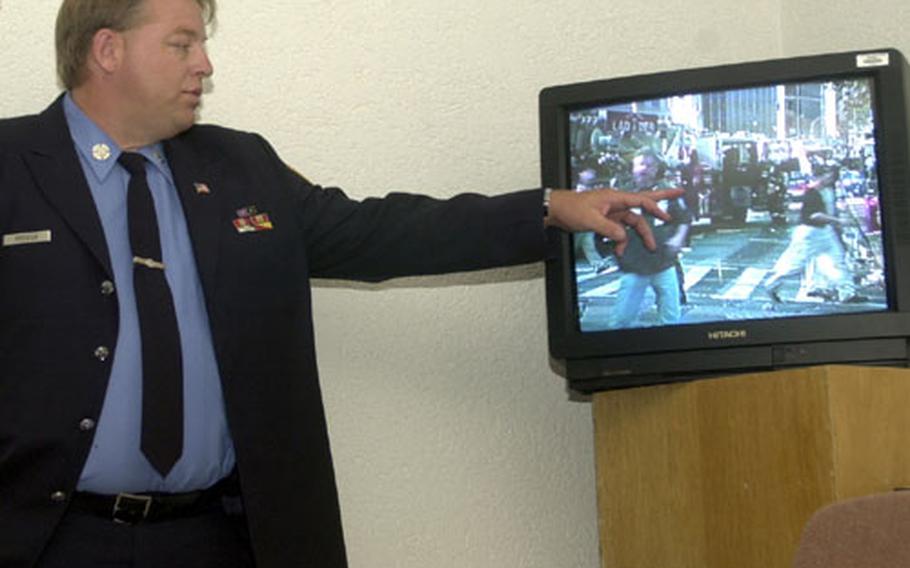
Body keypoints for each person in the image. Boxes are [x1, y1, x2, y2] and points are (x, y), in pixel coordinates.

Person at [0, 1, 683, 567]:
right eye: (181, 45)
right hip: (48, 538)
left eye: (200, 45)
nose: (204, 65)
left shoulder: (241, 167)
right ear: (108, 51)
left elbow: (379, 232)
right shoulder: (11, 165)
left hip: (220, 537)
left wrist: (545, 209)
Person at [608, 148, 692, 328]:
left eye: (650, 165)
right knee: (621, 320)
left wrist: (678, 238)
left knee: (671, 318)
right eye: (640, 164)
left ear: (656, 169)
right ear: (632, 168)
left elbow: (684, 218)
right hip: (635, 265)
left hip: (664, 263)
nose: (644, 169)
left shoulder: (667, 192)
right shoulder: (622, 193)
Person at [761, 167, 862, 304]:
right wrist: (838, 222)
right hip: (810, 232)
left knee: (839, 260)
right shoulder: (812, 193)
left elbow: (829, 210)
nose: (830, 179)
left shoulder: (827, 190)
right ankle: (772, 284)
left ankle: (847, 293)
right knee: (796, 264)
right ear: (819, 176)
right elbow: (814, 215)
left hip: (825, 231)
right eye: (827, 176)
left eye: (832, 177)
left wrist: (837, 222)